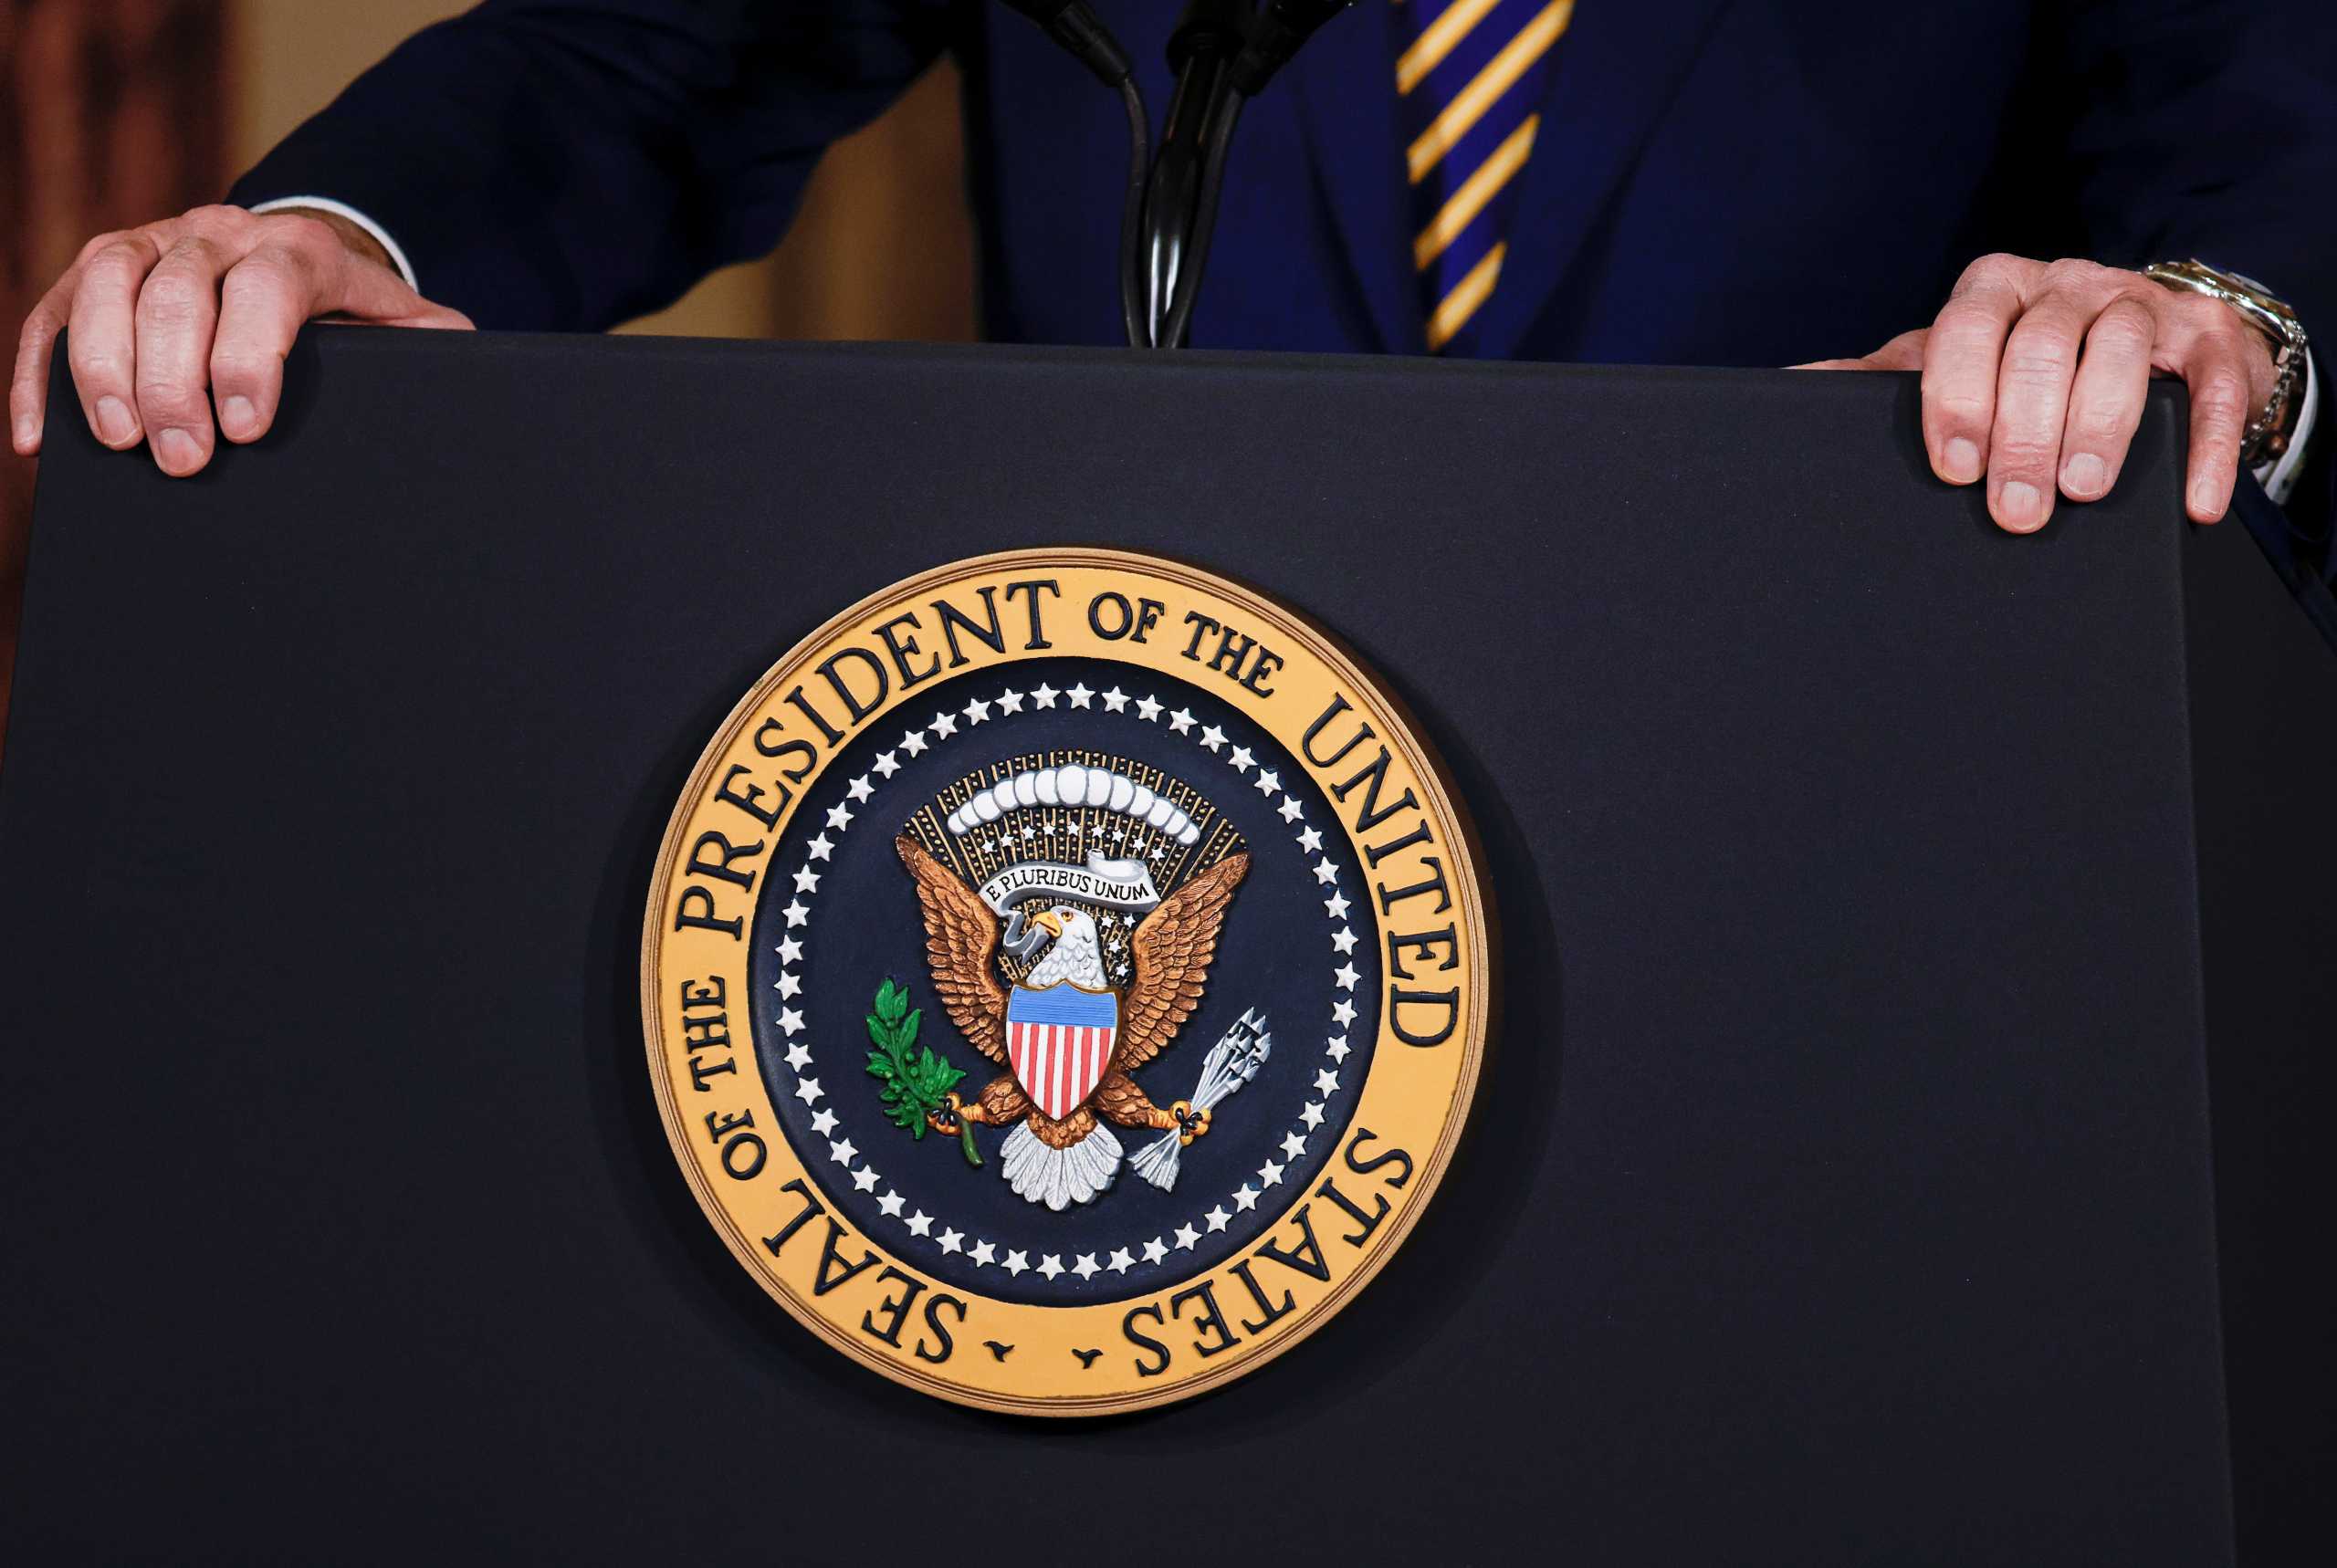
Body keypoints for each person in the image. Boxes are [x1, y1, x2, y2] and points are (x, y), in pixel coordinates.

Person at [9, 0, 2332, 564]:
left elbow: (2250, 128)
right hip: (1159, 804)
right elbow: (627, 55)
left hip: (1826, 839)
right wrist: (326, 239)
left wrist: (2203, 314)